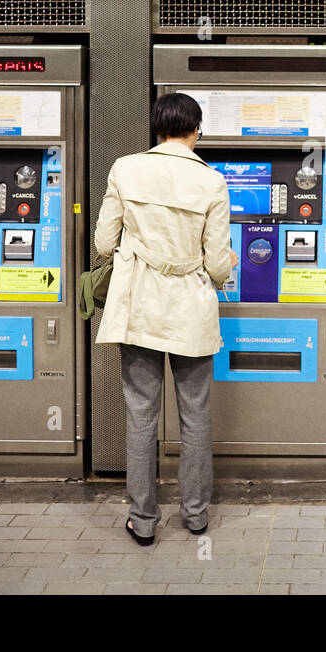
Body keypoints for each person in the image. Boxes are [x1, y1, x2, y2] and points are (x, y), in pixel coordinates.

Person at [93, 92, 238, 546]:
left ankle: (144, 519)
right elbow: (217, 265)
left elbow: (102, 243)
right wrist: (226, 262)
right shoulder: (212, 182)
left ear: (157, 129)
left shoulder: (125, 168)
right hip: (190, 309)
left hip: (139, 307)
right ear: (196, 130)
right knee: (194, 414)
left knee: (141, 414)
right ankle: (195, 515)